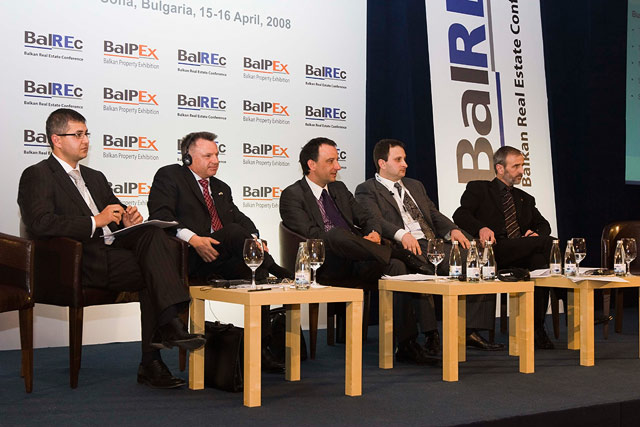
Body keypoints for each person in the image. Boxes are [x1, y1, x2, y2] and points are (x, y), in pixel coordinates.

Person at [18, 108, 204, 389]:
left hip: (114, 253)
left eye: (86, 134)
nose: (85, 140)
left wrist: (127, 219)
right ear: (56, 139)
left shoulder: (94, 176)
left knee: (154, 235)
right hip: (81, 260)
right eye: (78, 135)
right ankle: (162, 341)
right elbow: (40, 223)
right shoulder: (38, 174)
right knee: (155, 269)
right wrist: (95, 221)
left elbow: (114, 216)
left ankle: (164, 337)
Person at [279, 137, 437, 364]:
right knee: (334, 234)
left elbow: (366, 217)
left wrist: (373, 232)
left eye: (337, 160)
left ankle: (407, 344)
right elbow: (314, 235)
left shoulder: (339, 188)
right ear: (311, 164)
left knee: (397, 267)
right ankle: (396, 252)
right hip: (325, 264)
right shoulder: (292, 195)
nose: (337, 166)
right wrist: (359, 241)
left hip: (359, 257)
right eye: (330, 161)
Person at [147, 131, 291, 372]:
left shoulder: (221, 187)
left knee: (257, 270)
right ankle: (279, 270)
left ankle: (260, 348)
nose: (215, 160)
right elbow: (160, 216)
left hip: (219, 258)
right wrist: (194, 239)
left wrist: (255, 239)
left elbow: (240, 219)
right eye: (208, 156)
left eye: (216, 155)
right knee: (235, 234)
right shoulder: (170, 176)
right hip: (188, 256)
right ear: (187, 158)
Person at [355, 139, 502, 352]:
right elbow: (373, 219)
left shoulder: (415, 185)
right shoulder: (367, 189)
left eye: (405, 159)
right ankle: (431, 333)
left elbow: (433, 214)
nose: (405, 164)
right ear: (382, 163)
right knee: (423, 269)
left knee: (482, 256)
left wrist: (453, 230)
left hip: (432, 242)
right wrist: (402, 234)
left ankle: (469, 330)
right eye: (398, 159)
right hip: (403, 246)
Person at [452, 145, 557, 349]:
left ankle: (536, 328)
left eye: (522, 166)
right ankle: (567, 290)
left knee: (539, 262)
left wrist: (536, 234)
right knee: (549, 243)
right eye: (516, 166)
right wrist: (481, 228)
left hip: (519, 250)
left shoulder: (525, 199)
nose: (521, 171)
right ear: (500, 168)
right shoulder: (480, 189)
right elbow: (460, 214)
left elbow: (543, 224)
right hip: (494, 250)